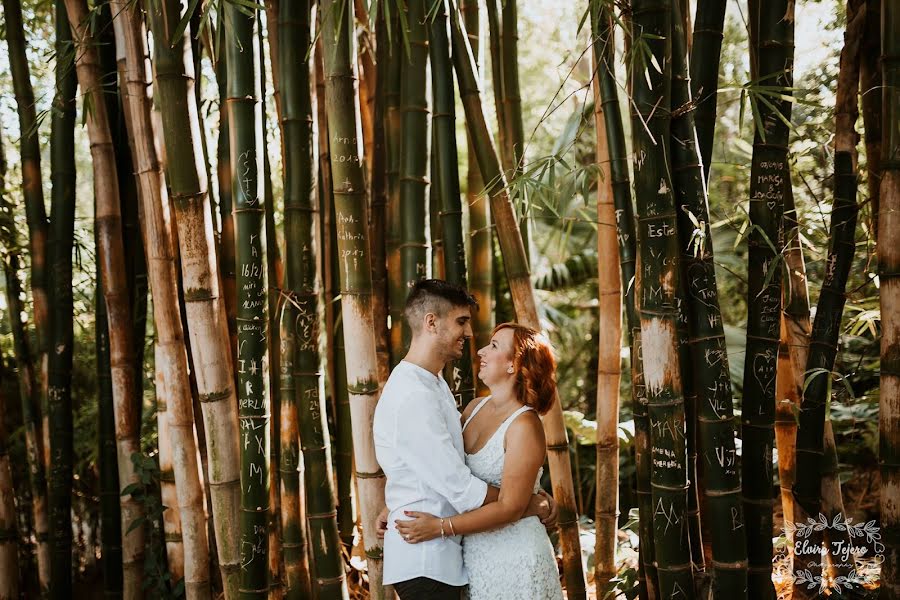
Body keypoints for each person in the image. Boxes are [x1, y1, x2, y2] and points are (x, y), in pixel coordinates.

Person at [373, 280, 556, 600]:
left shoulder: (435, 384)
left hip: (465, 556)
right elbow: (458, 484)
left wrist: (397, 500)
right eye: (461, 321)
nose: (472, 336)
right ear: (432, 322)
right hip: (426, 556)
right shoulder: (417, 395)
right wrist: (532, 503)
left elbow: (435, 462)